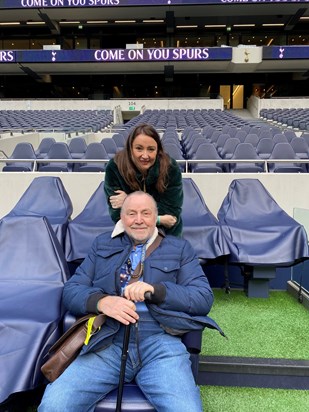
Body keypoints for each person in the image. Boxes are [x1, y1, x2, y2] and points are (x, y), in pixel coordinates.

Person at [38, 191, 222, 412]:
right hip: (107, 342)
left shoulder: (180, 248)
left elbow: (203, 298)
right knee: (54, 405)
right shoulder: (102, 245)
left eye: (146, 213)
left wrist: (157, 291)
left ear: (156, 217)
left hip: (160, 344)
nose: (138, 220)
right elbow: (72, 291)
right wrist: (101, 302)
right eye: (131, 213)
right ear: (122, 218)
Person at [104, 123, 183, 237]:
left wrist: (128, 200)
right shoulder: (115, 166)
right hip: (130, 231)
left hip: (166, 231)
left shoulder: (170, 167)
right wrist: (160, 219)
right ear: (130, 149)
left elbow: (172, 213)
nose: (145, 155)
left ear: (158, 150)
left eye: (151, 149)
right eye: (139, 148)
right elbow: (117, 213)